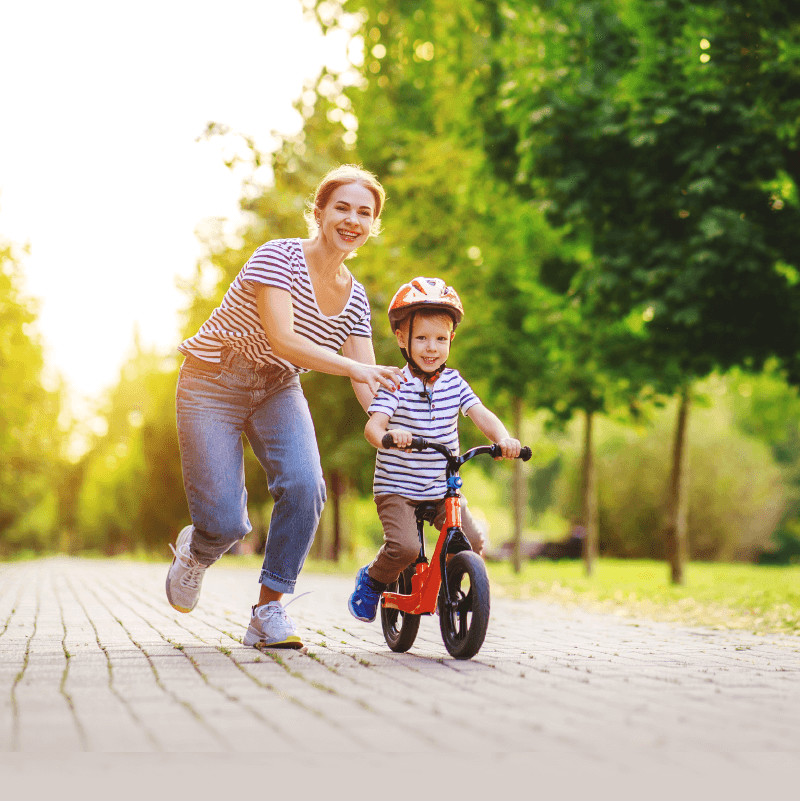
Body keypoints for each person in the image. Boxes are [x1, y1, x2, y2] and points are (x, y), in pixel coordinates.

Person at [167, 164, 404, 649]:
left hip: (276, 388)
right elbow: (285, 340)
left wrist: (393, 423)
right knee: (227, 522)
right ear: (318, 212)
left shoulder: (355, 297)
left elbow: (369, 383)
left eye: (364, 212)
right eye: (342, 207)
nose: (352, 220)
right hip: (212, 380)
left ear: (372, 225)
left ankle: (268, 609)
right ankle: (197, 550)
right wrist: (357, 370)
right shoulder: (278, 258)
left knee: (305, 486)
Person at [348, 277, 521, 622]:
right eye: (422, 338)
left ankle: (451, 591)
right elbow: (372, 426)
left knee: (471, 539)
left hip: (441, 488)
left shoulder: (455, 382)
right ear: (402, 338)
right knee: (405, 548)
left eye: (440, 339)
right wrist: (388, 434)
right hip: (398, 489)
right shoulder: (395, 383)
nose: (431, 348)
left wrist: (504, 439)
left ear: (451, 340)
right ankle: (371, 580)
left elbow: (480, 414)